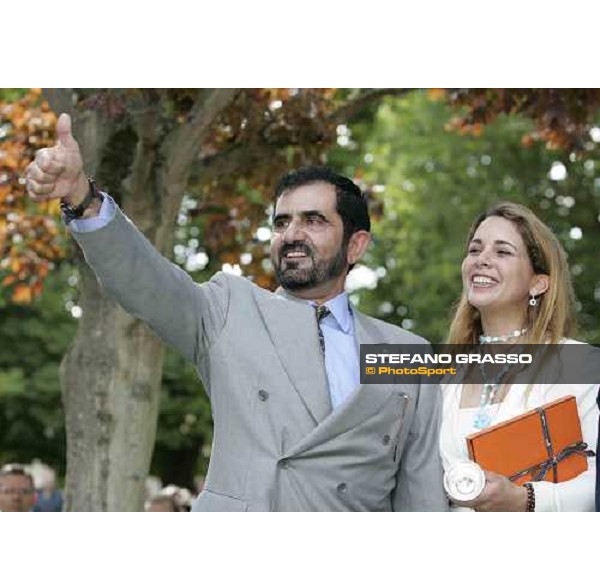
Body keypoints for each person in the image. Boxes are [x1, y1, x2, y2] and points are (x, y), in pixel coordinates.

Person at [25, 113, 447, 512]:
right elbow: (148, 283)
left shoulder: (405, 351)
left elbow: (421, 493)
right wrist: (82, 199)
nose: (292, 235)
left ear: (356, 245)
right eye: (282, 223)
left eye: (314, 221)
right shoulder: (231, 307)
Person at [440, 202, 599, 511]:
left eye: (502, 252)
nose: (482, 260)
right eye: (475, 250)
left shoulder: (579, 363)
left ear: (538, 283)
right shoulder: (444, 375)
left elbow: (596, 481)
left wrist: (526, 498)